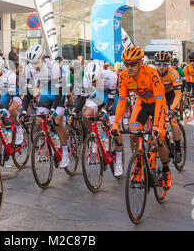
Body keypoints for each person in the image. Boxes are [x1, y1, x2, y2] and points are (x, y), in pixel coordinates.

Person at [112, 46, 171, 190]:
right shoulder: (124, 76)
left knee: (158, 140)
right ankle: (138, 160)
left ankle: (166, 170)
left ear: (140, 63)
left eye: (133, 64)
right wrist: (115, 123)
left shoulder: (152, 74)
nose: (129, 67)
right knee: (133, 131)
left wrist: (157, 125)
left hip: (158, 103)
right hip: (142, 103)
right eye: (126, 64)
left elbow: (159, 101)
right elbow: (121, 101)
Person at [21, 44, 69, 168]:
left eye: (36, 62)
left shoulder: (52, 66)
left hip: (58, 93)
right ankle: (54, 138)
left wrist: (53, 109)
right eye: (31, 62)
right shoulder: (29, 68)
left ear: (42, 58)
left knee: (57, 121)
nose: (34, 65)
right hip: (46, 93)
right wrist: (23, 110)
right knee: (38, 121)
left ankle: (65, 153)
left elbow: (59, 92)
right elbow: (27, 92)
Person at [70, 60, 122, 176]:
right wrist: (74, 113)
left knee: (115, 129)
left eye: (95, 81)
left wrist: (104, 111)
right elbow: (81, 99)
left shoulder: (111, 77)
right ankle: (97, 137)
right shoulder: (86, 79)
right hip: (98, 95)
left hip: (112, 98)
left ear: (101, 75)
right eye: (91, 81)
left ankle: (118, 161)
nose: (92, 83)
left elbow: (111, 100)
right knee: (86, 116)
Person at [154, 51, 183, 163]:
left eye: (164, 64)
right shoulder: (153, 73)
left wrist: (172, 109)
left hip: (172, 96)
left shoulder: (174, 74)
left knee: (173, 121)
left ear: (168, 64)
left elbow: (178, 95)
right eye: (159, 64)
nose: (161, 67)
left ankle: (177, 148)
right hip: (159, 96)